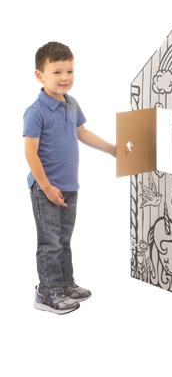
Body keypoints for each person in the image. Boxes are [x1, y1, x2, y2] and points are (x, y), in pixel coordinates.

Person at [23, 42, 116, 314]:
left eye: (70, 71)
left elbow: (82, 132)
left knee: (64, 240)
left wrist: (112, 149)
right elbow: (30, 153)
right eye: (57, 72)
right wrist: (46, 187)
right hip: (46, 189)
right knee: (50, 242)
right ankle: (47, 292)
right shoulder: (36, 111)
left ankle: (64, 284)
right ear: (40, 75)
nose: (65, 77)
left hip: (69, 186)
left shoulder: (71, 104)